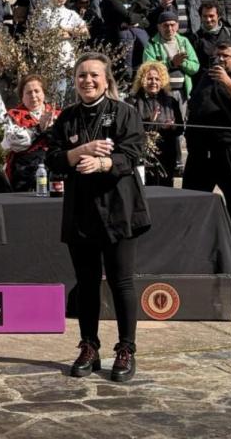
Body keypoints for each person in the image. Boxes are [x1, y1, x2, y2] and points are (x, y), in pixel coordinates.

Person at [45, 52, 150, 383]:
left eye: (94, 75)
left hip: (119, 209)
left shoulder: (124, 113)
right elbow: (53, 159)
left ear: (106, 81)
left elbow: (133, 153)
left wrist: (106, 163)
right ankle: (89, 345)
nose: (87, 81)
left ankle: (126, 349)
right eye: (81, 76)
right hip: (81, 211)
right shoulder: (68, 117)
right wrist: (80, 153)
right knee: (87, 284)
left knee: (121, 282)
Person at [184, 42, 231, 254]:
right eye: (216, 56)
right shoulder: (206, 77)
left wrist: (227, 81)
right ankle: (192, 239)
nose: (219, 60)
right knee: (191, 196)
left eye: (225, 56)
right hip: (201, 150)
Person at [129, 61, 183, 187]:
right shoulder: (133, 102)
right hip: (144, 155)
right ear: (142, 80)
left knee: (166, 189)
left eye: (157, 79)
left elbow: (180, 129)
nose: (153, 82)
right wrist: (150, 121)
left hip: (167, 153)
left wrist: (173, 126)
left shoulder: (171, 101)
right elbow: (130, 130)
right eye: (149, 79)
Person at [1, 74, 59, 191]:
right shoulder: (13, 116)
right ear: (22, 97)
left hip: (54, 172)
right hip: (23, 173)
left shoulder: (59, 115)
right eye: (28, 93)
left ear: (43, 93)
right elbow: (10, 142)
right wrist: (38, 129)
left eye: (36, 91)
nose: (33, 96)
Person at [142, 11, 200, 111]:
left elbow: (195, 67)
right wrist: (171, 63)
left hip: (182, 93)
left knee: (182, 123)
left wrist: (182, 62)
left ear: (177, 26)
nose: (169, 28)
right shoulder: (151, 44)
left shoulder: (184, 41)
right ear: (159, 27)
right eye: (165, 25)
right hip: (161, 93)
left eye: (172, 25)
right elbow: (148, 68)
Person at [193, 0, 231, 72]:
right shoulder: (195, 37)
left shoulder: (230, 33)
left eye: (211, 16)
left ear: (219, 16)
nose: (208, 19)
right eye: (205, 16)